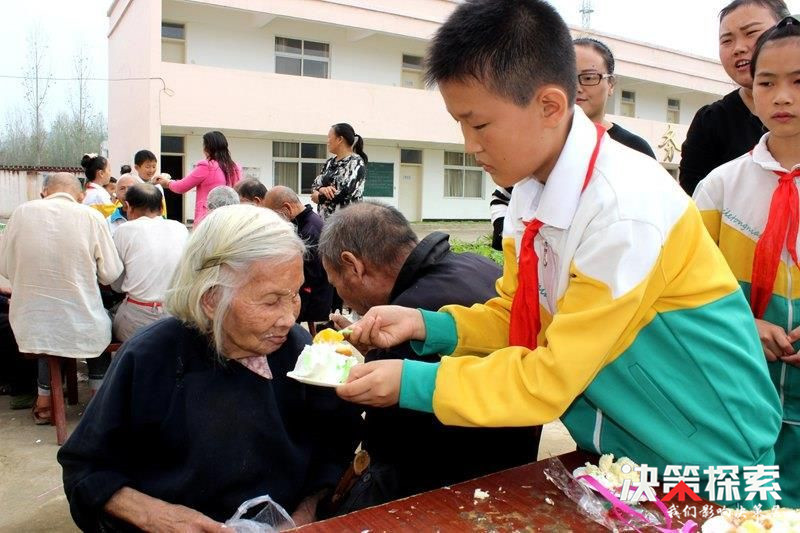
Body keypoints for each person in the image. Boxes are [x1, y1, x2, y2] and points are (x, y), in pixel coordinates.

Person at [336, 0, 781, 507]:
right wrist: (425, 325)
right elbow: (524, 314)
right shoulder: (529, 192)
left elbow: (549, 378)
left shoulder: (622, 210)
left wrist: (411, 382)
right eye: (460, 124)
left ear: (549, 106)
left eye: (479, 125)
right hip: (626, 445)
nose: (469, 145)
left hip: (709, 451)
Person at [57, 205, 361, 531]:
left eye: (295, 295)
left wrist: (305, 513)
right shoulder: (151, 357)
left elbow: (335, 444)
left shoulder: (296, 349)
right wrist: (157, 516)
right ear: (212, 298)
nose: (288, 318)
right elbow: (85, 470)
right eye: (271, 301)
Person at [318, 201, 540, 512]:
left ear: (353, 265)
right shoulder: (481, 266)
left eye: (336, 284)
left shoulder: (409, 314)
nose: (341, 297)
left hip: (450, 492)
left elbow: (385, 448)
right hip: (518, 465)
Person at [693, 16, 800, 506]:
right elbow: (689, 289)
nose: (782, 97)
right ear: (750, 91)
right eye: (767, 82)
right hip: (741, 396)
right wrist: (745, 323)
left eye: (799, 82)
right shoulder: (718, 188)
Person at [489, 37, 656, 250]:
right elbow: (502, 199)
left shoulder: (634, 149)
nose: (577, 87)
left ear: (611, 84)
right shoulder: (539, 144)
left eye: (588, 77)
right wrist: (517, 239)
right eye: (567, 76)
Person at [0, 173, 123, 424]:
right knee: (99, 325)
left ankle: (44, 398)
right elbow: (110, 272)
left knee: (47, 325)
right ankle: (98, 397)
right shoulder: (90, 216)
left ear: (43, 192)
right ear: (80, 196)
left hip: (30, 325)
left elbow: (5, 267)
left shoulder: (22, 213)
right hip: (82, 324)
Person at [679, 0, 789, 195]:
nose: (738, 48)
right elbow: (693, 203)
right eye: (727, 40)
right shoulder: (711, 121)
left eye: (751, 33)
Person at [111, 184, 189, 341]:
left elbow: (117, 285)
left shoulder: (124, 230)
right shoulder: (180, 228)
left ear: (127, 207)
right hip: (176, 315)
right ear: (161, 207)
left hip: (137, 317)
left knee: (108, 319)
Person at [264, 186, 333, 326]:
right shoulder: (308, 222)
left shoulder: (309, 231)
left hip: (315, 297)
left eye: (274, 216)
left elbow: (309, 275)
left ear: (286, 208)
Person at [155, 131, 242, 225]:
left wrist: (167, 182)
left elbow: (181, 186)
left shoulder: (207, 165)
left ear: (207, 148)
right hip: (230, 217)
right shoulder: (235, 167)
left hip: (208, 218)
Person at [311, 123, 367, 220]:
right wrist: (322, 189)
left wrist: (319, 198)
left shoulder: (356, 163)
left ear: (340, 139)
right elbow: (315, 185)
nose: (327, 141)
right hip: (325, 224)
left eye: (329, 137)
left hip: (347, 224)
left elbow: (344, 193)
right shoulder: (329, 163)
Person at [133, 149, 168, 216]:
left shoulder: (158, 186)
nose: (151, 170)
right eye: (147, 167)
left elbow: (163, 207)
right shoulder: (133, 183)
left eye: (154, 166)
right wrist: (151, 184)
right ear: (137, 167)